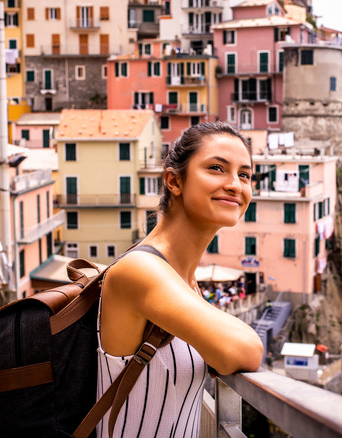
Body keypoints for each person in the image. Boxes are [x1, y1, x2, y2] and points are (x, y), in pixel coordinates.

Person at [96, 122, 264, 437]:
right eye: (216, 168)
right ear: (174, 181)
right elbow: (247, 351)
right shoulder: (140, 271)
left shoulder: (184, 281)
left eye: (245, 175)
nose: (235, 185)